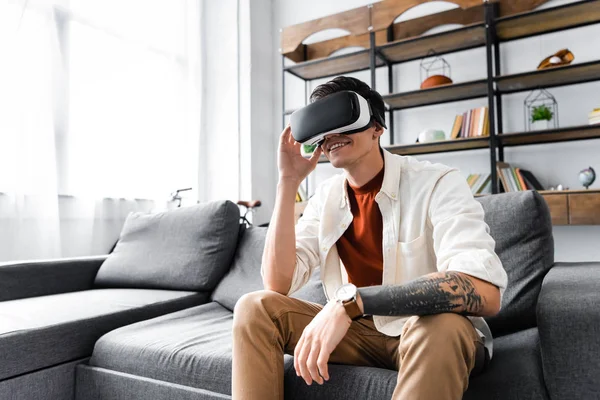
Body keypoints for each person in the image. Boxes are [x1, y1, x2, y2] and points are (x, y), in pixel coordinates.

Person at [232, 76, 508, 400]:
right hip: (362, 333)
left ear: (376, 126)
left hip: (425, 330)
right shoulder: (326, 198)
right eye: (324, 128)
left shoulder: (437, 182)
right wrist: (288, 182)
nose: (331, 136)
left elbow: (485, 291)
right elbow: (277, 285)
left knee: (442, 326)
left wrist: (352, 304)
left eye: (342, 121)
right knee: (254, 307)